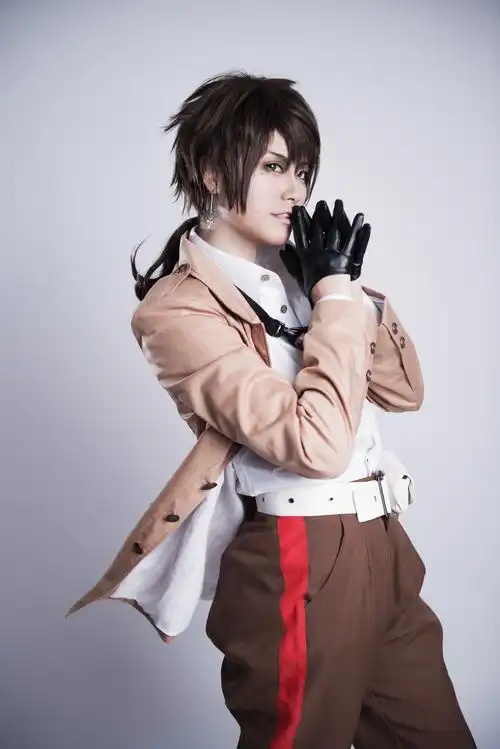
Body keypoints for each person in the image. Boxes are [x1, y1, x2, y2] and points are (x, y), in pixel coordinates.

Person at [66, 72, 476, 748]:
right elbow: (316, 446)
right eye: (275, 167)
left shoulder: (303, 273)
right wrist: (336, 297)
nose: (296, 191)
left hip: (384, 543)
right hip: (298, 557)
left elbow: (405, 391)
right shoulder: (176, 310)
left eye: (303, 171)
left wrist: (347, 291)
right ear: (211, 172)